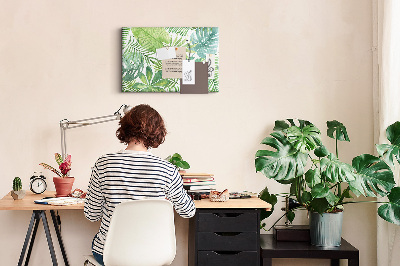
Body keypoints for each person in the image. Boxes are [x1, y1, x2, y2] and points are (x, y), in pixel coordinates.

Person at [84, 104, 196, 266]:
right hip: (155, 255)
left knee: (100, 240)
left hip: (111, 256)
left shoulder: (104, 164)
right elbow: (188, 211)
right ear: (157, 132)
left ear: (125, 128)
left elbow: (92, 215)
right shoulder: (167, 170)